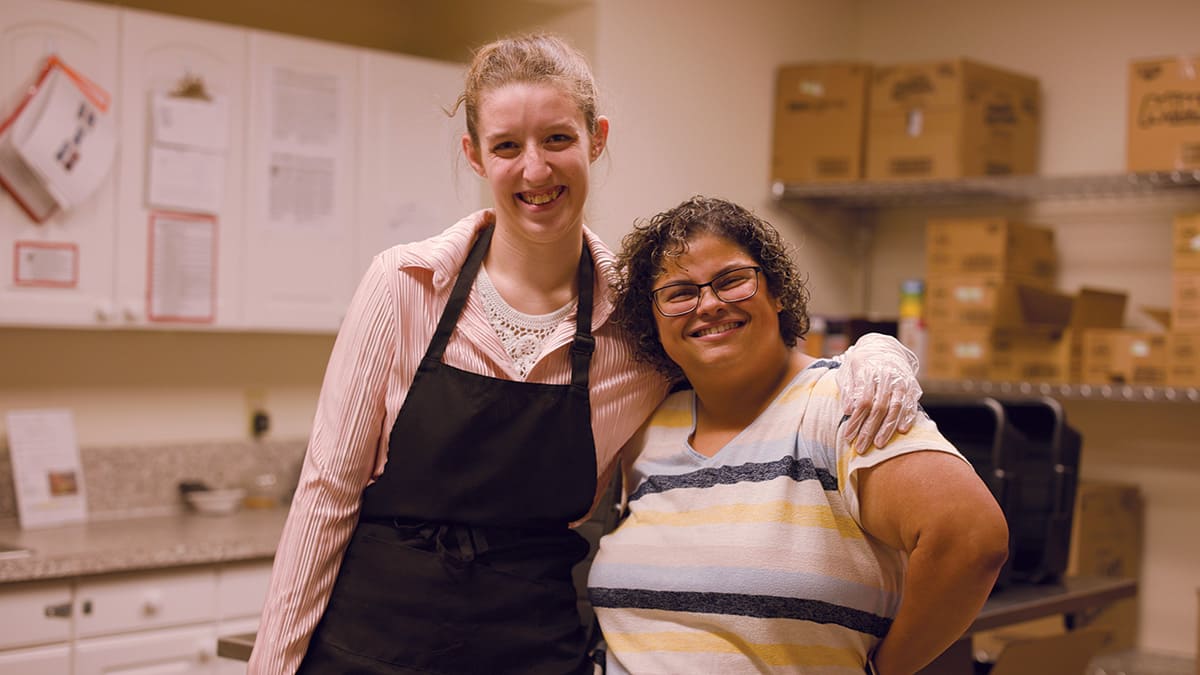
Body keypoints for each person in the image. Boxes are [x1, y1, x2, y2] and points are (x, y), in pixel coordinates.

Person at [249, 35, 926, 675]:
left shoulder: (633, 318)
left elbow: (762, 359)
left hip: (533, 646)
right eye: (507, 145)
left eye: (558, 139)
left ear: (596, 141)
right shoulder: (405, 285)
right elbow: (325, 496)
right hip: (372, 641)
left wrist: (879, 351)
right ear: (475, 155)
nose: (535, 169)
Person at [588, 196, 1010, 675]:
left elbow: (971, 539)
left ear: (777, 291)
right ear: (655, 319)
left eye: (732, 281)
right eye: (679, 292)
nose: (708, 304)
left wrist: (885, 671)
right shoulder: (648, 426)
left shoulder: (845, 401)